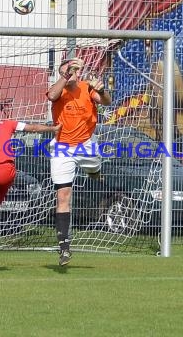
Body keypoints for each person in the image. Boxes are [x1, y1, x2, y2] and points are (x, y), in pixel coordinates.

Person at [46, 57, 112, 266]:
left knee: (94, 169)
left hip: (86, 144)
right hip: (62, 147)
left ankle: (93, 172)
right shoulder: (58, 89)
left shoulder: (86, 87)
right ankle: (64, 247)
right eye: (67, 70)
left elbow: (106, 101)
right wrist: (65, 76)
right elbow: (52, 95)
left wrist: (100, 91)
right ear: (63, 73)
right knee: (63, 196)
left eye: (73, 70)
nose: (72, 73)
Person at [0, 104, 60, 239]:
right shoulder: (6, 123)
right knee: (4, 184)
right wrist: (53, 128)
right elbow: (33, 128)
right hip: (5, 168)